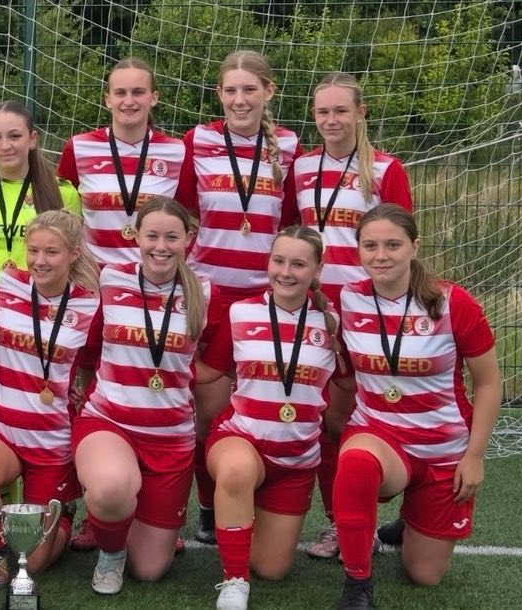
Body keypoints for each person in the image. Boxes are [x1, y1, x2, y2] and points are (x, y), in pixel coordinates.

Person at [332, 204, 499, 610]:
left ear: (414, 246)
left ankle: (411, 518)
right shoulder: (346, 300)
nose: (381, 255)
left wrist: (474, 456)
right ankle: (357, 586)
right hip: (380, 435)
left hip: (442, 449)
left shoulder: (452, 302)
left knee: (424, 576)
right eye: (370, 245)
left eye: (393, 244)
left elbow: (489, 382)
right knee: (354, 464)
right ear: (358, 251)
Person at [179, 50, 302, 544]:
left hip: (266, 301)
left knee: (259, 408)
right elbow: (185, 214)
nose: (239, 99)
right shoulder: (199, 140)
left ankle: (260, 505)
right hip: (210, 297)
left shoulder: (288, 146)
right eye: (230, 90)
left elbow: (291, 222)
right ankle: (210, 509)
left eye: (249, 89)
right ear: (219, 95)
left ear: (268, 93)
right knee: (207, 412)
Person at [293, 72, 413, 560]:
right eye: (322, 111)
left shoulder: (385, 170)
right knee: (328, 419)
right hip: (317, 311)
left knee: (385, 411)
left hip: (368, 312)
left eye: (341, 110)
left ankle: (415, 507)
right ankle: (341, 524)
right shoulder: (300, 168)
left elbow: (403, 245)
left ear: (361, 113)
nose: (331, 120)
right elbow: (295, 238)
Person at [72, 196, 220, 594]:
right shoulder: (109, 279)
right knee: (110, 488)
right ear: (135, 235)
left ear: (189, 238)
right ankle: (110, 553)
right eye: (151, 235)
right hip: (109, 422)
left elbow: (218, 365)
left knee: (151, 569)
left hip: (171, 439)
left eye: (171, 237)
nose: (160, 245)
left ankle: (132, 517)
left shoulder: (206, 293)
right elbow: (86, 350)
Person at [196, 226, 346, 610]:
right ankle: (232, 582)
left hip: (296, 462)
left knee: (272, 568)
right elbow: (208, 371)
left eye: (299, 264)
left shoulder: (332, 324)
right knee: (235, 471)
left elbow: (353, 382)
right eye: (278, 261)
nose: (286, 272)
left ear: (317, 269)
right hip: (241, 437)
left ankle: (245, 514)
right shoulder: (241, 311)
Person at [0, 210, 101, 585]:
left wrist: (81, 391)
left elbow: (98, 361)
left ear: (73, 253)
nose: (39, 260)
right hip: (0, 428)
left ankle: (64, 513)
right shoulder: (7, 283)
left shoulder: (90, 305)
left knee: (35, 561)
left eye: (51, 252)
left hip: (51, 439)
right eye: (33, 250)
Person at [58, 58, 188, 268]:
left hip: (153, 275)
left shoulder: (177, 152)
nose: (129, 101)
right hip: (93, 276)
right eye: (120, 93)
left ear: (153, 98)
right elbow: (64, 210)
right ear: (108, 99)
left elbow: (187, 216)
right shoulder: (79, 147)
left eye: (138, 92)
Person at [0, 100, 79, 283]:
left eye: (14, 136)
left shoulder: (63, 193)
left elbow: (76, 259)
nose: (5, 146)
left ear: (32, 139)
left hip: (36, 302)